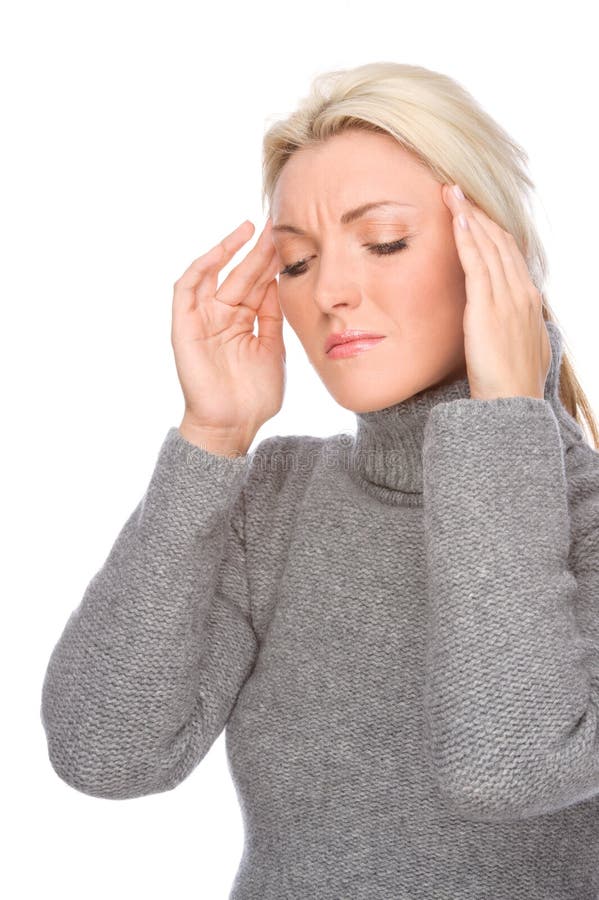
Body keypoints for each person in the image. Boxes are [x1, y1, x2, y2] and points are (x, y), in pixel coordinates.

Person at [40, 62, 599, 899]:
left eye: (384, 242)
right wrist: (211, 438)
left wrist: (501, 429)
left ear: (496, 257)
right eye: (297, 262)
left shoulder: (585, 521)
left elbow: (508, 768)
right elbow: (105, 754)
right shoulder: (275, 500)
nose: (331, 292)